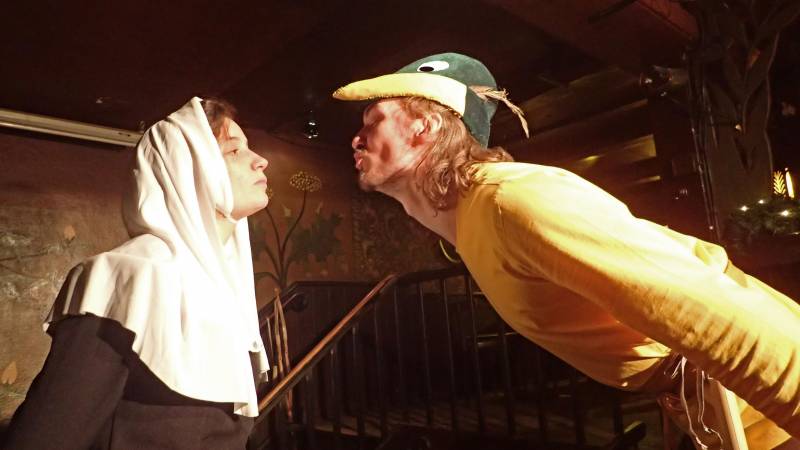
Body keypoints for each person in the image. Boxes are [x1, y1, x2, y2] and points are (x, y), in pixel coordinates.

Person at [333, 52, 800, 449]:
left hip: (769, 402)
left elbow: (711, 313)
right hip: (716, 410)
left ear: (425, 126)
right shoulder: (475, 219)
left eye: (373, 120)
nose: (356, 138)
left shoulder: (512, 200)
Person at [2, 97, 270, 450]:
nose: (260, 160)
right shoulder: (128, 277)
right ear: (186, 168)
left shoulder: (224, 293)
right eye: (233, 150)